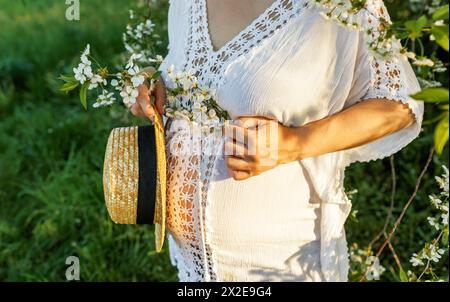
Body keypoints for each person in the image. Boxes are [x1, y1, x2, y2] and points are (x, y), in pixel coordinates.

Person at [129, 0, 424, 282]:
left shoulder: (343, 5)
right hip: (191, 264)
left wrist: (293, 143)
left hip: (281, 262)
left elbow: (398, 104)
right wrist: (153, 85)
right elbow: (196, 73)